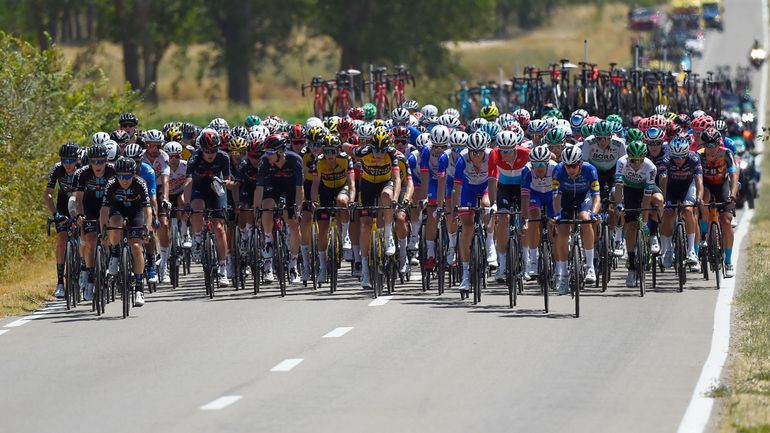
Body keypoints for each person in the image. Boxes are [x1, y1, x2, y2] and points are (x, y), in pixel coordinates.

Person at [183, 128, 233, 286]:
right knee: (197, 207)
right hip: (198, 189)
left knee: (219, 228)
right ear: (201, 149)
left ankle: (223, 268)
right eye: (207, 150)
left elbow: (228, 181)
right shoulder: (195, 158)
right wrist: (186, 204)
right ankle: (197, 238)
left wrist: (226, 184)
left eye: (214, 149)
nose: (211, 153)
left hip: (216, 189)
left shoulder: (224, 157)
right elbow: (189, 182)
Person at [354, 127, 402, 289]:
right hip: (367, 186)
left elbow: (396, 178)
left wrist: (395, 199)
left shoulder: (392, 154)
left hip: (385, 184)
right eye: (376, 150)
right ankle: (365, 271)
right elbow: (345, 149)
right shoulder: (363, 152)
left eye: (383, 150)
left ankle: (388, 236)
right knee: (365, 225)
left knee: (387, 197)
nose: (379, 154)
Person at [253, 133, 304, 284]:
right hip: (272, 186)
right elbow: (259, 189)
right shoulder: (264, 162)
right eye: (266, 152)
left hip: (291, 189)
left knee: (294, 223)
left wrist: (298, 210)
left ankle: (294, 267)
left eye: (270, 152)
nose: (267, 155)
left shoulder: (295, 160)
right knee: (266, 208)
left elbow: (300, 189)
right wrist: (257, 210)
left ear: (280, 151)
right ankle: (268, 240)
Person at [101, 157, 152, 307]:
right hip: (118, 209)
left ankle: (139, 288)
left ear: (133, 174)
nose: (124, 180)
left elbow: (147, 210)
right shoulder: (111, 184)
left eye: (127, 176)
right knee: (115, 226)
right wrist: (104, 229)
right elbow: (104, 210)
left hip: (136, 211)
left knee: (136, 246)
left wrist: (147, 229)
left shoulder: (140, 183)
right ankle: (115, 254)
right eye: (121, 176)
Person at [552, 145, 600, 294]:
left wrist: (594, 213)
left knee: (585, 219)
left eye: (573, 166)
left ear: (579, 164)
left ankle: (590, 266)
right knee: (562, 230)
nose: (570, 169)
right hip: (565, 198)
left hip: (583, 197)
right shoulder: (558, 170)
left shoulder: (590, 170)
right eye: (567, 166)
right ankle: (563, 275)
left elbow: (596, 195)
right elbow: (556, 196)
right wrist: (558, 214)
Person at [455, 131, 498, 293]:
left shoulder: (491, 155)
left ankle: (490, 243)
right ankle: (465, 274)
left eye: (480, 152)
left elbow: (494, 180)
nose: (477, 155)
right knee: (467, 228)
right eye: (473, 152)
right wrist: (456, 208)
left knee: (487, 204)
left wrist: (494, 204)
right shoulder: (462, 158)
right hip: (468, 189)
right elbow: (457, 187)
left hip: (486, 186)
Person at [73, 144, 116, 301]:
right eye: (95, 161)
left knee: (111, 234)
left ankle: (112, 260)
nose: (98, 165)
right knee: (90, 241)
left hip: (109, 206)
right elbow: (78, 199)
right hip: (90, 207)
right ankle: (90, 277)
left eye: (101, 161)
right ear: (89, 161)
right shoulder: (83, 173)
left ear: (106, 160)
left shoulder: (113, 170)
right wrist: (79, 215)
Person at [310, 134, 356, 282]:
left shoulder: (346, 159)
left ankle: (345, 237)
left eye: (333, 151)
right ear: (323, 151)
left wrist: (352, 200)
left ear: (338, 151)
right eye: (327, 151)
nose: (330, 155)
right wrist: (313, 201)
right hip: (326, 190)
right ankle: (322, 268)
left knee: (342, 201)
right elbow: (315, 184)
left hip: (343, 187)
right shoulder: (319, 161)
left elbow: (352, 183)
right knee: (322, 230)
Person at [613, 141, 658, 287]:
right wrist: (620, 205)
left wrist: (644, 220)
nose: (637, 163)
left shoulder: (651, 167)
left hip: (644, 190)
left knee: (655, 204)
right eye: (633, 160)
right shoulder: (621, 162)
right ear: (628, 157)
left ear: (644, 158)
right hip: (629, 189)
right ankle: (631, 267)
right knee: (631, 225)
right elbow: (619, 186)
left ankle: (652, 235)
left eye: (640, 160)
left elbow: (647, 196)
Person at [698, 128, 739, 277]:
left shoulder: (726, 153)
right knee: (705, 199)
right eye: (708, 146)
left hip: (722, 185)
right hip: (706, 186)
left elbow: (734, 175)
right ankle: (703, 236)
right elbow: (698, 180)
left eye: (714, 145)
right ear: (703, 146)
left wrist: (733, 195)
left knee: (726, 221)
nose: (711, 149)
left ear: (719, 143)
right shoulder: (699, 156)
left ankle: (728, 262)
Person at [658, 136, 703, 271]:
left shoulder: (694, 158)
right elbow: (663, 181)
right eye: (676, 157)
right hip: (671, 188)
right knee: (668, 213)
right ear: (671, 154)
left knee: (688, 211)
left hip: (688, 187)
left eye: (682, 157)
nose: (679, 160)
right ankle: (667, 251)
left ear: (687, 153)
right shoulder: (665, 160)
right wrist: (664, 201)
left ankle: (691, 250)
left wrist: (699, 198)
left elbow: (699, 181)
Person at [491, 130, 530, 283]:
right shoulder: (495, 154)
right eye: (502, 150)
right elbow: (492, 179)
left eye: (508, 150)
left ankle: (527, 265)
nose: (505, 154)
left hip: (522, 189)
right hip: (504, 188)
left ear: (515, 148)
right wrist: (494, 202)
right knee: (502, 218)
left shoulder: (525, 153)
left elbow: (545, 158)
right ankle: (502, 265)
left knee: (524, 224)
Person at [44, 142, 81, 298]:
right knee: (61, 238)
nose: (67, 164)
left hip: (80, 203)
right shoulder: (58, 168)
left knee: (85, 237)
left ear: (77, 159)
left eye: (71, 160)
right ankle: (60, 283)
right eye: (64, 160)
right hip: (63, 205)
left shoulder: (83, 169)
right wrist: (55, 214)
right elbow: (48, 194)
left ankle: (86, 273)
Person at [520, 145, 558, 279]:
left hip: (552, 194)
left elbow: (560, 194)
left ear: (548, 163)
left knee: (553, 224)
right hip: (535, 195)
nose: (539, 167)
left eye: (542, 163)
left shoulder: (555, 168)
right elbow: (524, 197)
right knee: (533, 216)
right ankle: (533, 260)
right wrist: (524, 220)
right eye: (536, 164)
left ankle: (558, 262)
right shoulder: (527, 170)